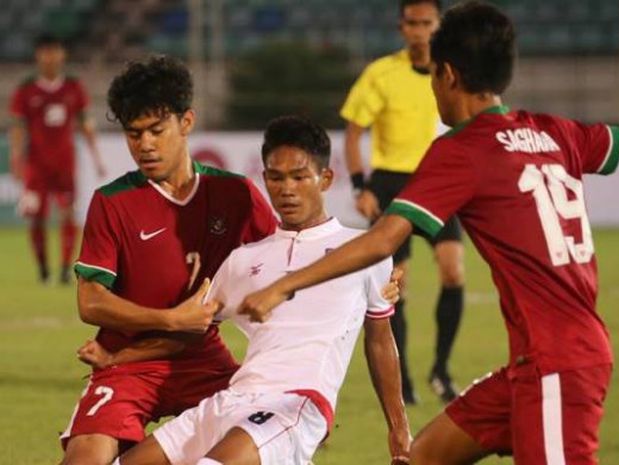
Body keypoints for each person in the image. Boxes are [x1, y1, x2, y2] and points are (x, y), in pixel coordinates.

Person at [234, 2, 619, 464]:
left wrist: (284, 285)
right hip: (533, 363)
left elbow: (382, 240)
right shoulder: (553, 131)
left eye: (434, 76)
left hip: (557, 364)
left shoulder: (462, 150)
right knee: (422, 458)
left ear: (448, 75)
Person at [78, 115, 411, 465]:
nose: (287, 189)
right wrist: (117, 358)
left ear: (325, 178)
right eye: (277, 178)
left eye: (299, 177)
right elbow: (192, 330)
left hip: (295, 403)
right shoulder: (243, 260)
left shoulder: (363, 250)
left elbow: (379, 339)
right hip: (230, 400)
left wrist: (398, 427)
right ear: (264, 179)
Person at [59, 55, 280, 465]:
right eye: (133, 133)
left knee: (267, 437)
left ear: (187, 123)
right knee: (84, 459)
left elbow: (288, 258)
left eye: (156, 131)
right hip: (124, 364)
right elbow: (90, 302)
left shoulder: (235, 195)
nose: (144, 144)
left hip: (202, 359)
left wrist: (365, 278)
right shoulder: (113, 202)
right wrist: (171, 319)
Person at [341, 0, 464, 404]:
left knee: (453, 271)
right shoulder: (382, 73)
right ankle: (405, 381)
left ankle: (441, 372)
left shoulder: (453, 70)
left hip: (439, 180)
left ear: (439, 25)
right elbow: (354, 133)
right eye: (412, 23)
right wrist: (362, 186)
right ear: (401, 27)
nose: (419, 31)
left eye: (426, 23)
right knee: (398, 285)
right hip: (393, 184)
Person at [8, 33, 105, 284]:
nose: (50, 56)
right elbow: (17, 128)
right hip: (37, 166)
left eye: (54, 51)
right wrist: (16, 159)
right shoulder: (26, 89)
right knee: (37, 216)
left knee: (68, 214)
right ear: (38, 55)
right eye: (45, 51)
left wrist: (96, 158)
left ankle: (64, 268)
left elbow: (86, 124)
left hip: (65, 163)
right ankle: (42, 268)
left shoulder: (73, 87)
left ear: (62, 54)